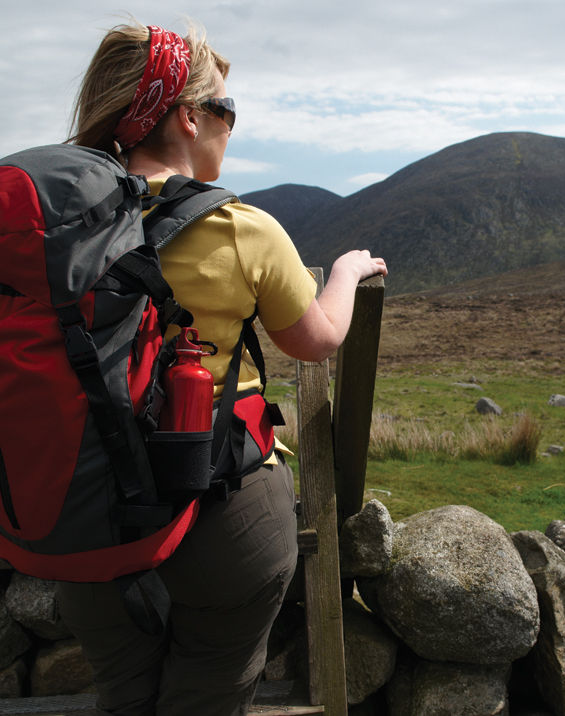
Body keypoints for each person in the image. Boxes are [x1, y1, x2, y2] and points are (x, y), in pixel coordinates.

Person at [55, 20, 387, 716]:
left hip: (82, 509)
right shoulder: (240, 228)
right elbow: (317, 340)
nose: (230, 127)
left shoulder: (54, 228)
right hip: (219, 509)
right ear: (187, 117)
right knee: (210, 687)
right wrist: (349, 272)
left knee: (125, 692)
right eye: (226, 111)